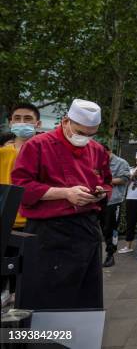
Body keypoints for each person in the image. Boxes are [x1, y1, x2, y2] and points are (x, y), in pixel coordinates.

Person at [11, 99, 112, 310]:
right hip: (49, 233)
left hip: (87, 230)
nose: (84, 139)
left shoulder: (97, 149)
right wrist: (65, 193)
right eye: (80, 132)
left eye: (90, 134)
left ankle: (80, 339)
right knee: (50, 299)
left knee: (85, 298)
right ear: (66, 121)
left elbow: (106, 183)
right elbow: (21, 186)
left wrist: (100, 193)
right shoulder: (37, 145)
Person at [0, 103, 42, 230]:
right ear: (10, 123)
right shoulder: (2, 153)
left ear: (38, 124)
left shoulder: (47, 154)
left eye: (28, 119)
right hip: (3, 220)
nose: (22, 122)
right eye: (17, 118)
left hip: (35, 222)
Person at [100, 144, 130, 267]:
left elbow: (124, 179)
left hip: (114, 200)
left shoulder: (121, 163)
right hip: (99, 200)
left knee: (111, 228)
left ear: (109, 151)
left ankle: (110, 255)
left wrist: (105, 180)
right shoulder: (99, 162)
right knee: (101, 228)